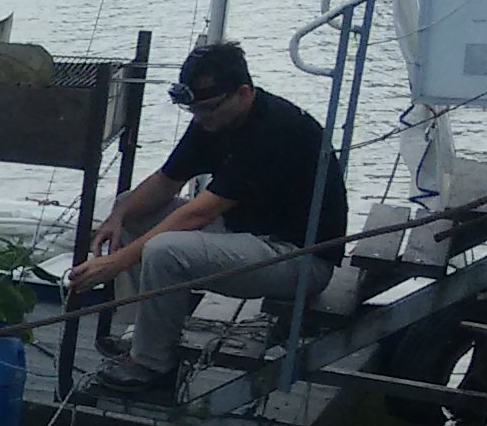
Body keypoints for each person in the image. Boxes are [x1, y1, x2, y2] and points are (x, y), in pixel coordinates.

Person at [70, 38, 347, 395]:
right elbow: (166, 181)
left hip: (297, 258)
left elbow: (200, 212)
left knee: (164, 250)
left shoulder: (273, 129)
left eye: (209, 110)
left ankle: (154, 365)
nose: (202, 120)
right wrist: (118, 214)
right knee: (137, 212)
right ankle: (150, 333)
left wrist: (116, 263)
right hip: (245, 233)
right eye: (195, 112)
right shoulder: (214, 118)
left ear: (244, 92)